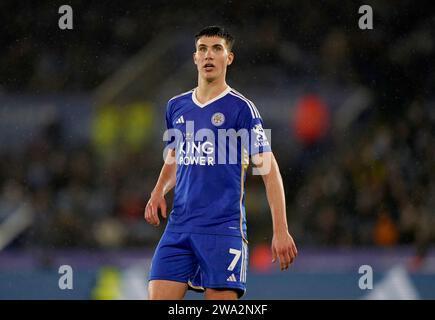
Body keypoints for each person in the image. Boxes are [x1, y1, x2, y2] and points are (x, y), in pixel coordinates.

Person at [144, 26, 297, 300]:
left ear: (229, 58)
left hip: (222, 230)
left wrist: (281, 229)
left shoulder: (242, 110)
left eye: (217, 49)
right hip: (179, 228)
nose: (208, 55)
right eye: (202, 49)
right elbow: (175, 159)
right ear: (195, 58)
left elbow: (270, 171)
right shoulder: (176, 107)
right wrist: (158, 191)